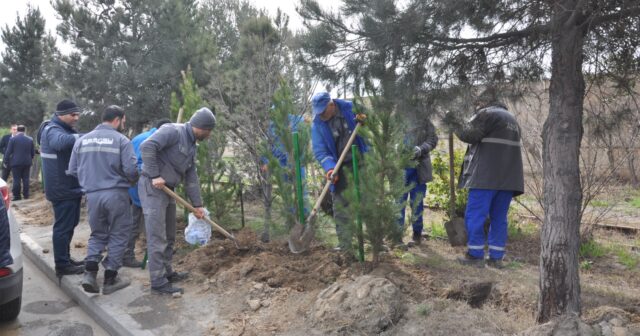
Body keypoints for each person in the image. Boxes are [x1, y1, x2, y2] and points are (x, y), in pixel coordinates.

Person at [139, 107, 215, 295]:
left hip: (168, 190)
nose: (210, 134)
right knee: (157, 237)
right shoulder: (172, 131)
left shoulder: (191, 145)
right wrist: (155, 175)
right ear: (202, 128)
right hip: (153, 187)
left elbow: (191, 176)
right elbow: (147, 147)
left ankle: (167, 272)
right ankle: (157, 281)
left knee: (170, 234)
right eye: (209, 130)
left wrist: (197, 205)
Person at [447, 88, 524, 269]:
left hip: (485, 177)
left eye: (477, 104)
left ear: (484, 102)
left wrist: (452, 121)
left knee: (475, 215)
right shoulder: (512, 120)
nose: (476, 108)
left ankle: (475, 255)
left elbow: (468, 134)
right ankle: (496, 258)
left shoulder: (487, 114)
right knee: (499, 218)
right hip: (508, 180)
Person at [68, 105, 138, 294]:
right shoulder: (122, 140)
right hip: (116, 194)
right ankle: (110, 279)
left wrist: (90, 181)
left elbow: (73, 170)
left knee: (98, 234)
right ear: (118, 119)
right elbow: (132, 170)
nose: (124, 124)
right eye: (124, 121)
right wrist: (131, 180)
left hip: (92, 195)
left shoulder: (82, 140)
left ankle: (90, 274)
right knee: (118, 233)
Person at [310, 92, 367, 253]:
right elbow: (320, 151)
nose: (321, 115)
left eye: (323, 111)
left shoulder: (350, 108)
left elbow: (369, 118)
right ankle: (345, 245)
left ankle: (376, 242)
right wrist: (330, 168)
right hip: (339, 166)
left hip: (362, 160)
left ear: (331, 105)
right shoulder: (317, 124)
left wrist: (365, 118)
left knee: (368, 200)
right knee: (340, 206)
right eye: (318, 112)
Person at [38, 99, 85, 277]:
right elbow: (61, 143)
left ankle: (65, 258)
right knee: (63, 227)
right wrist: (89, 136)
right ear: (60, 115)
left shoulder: (63, 129)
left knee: (70, 225)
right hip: (61, 189)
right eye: (73, 114)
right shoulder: (52, 130)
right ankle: (62, 265)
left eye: (78, 114)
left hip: (69, 187)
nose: (76, 117)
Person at [123, 118, 171, 268]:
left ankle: (128, 253)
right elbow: (142, 165)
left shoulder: (140, 137)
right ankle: (127, 255)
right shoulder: (153, 141)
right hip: (142, 184)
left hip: (132, 183)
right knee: (137, 221)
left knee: (134, 219)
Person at [398, 118, 438, 247]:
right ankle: (396, 236)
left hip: (419, 168)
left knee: (417, 202)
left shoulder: (424, 120)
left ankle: (417, 235)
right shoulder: (398, 117)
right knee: (399, 202)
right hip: (400, 167)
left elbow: (433, 139)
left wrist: (421, 149)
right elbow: (388, 137)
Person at [4, 125, 35, 201]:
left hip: (16, 162)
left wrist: (5, 161)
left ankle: (17, 196)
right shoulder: (30, 139)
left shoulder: (13, 139)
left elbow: (8, 151)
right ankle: (26, 195)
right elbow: (32, 152)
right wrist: (30, 158)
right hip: (27, 162)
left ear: (17, 130)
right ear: (24, 131)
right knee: (26, 179)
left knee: (16, 179)